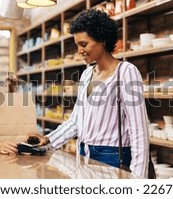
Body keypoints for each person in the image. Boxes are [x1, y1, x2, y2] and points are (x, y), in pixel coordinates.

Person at [32, 9, 149, 178]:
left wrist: (138, 181)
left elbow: (139, 132)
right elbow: (76, 122)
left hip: (113, 159)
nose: (79, 50)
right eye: (77, 45)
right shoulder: (87, 74)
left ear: (102, 40)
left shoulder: (126, 72)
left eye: (84, 44)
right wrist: (49, 139)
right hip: (84, 155)